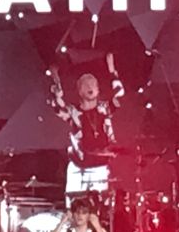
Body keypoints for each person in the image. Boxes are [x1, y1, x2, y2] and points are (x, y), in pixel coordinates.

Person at [48, 51, 124, 200]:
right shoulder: (74, 111)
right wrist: (56, 81)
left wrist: (111, 69)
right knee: (76, 207)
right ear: (79, 90)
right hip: (78, 166)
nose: (90, 86)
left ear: (98, 89)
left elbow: (119, 94)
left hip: (100, 166)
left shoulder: (104, 108)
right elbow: (58, 107)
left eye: (93, 84)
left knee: (100, 207)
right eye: (86, 84)